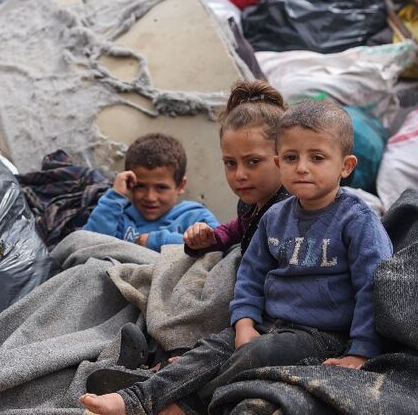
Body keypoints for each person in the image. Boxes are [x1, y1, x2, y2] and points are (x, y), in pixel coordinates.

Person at [80, 99, 394, 415]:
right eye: (290, 157)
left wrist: (362, 352)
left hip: (321, 334)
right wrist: (244, 322)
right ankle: (134, 398)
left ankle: (179, 405)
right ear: (278, 161)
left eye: (317, 158)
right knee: (212, 348)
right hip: (268, 321)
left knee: (255, 354)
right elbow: (251, 273)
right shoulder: (276, 217)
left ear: (345, 166)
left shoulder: (357, 221)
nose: (301, 167)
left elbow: (373, 287)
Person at [183, 80, 290, 256]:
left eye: (253, 161)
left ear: (285, 157)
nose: (239, 175)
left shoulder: (295, 211)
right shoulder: (250, 204)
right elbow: (240, 228)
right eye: (230, 163)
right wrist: (211, 238)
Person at [83, 133, 219, 252]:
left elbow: (217, 245)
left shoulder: (194, 217)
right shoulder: (119, 218)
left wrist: (153, 241)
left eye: (161, 188)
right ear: (130, 184)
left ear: (180, 185)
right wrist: (114, 196)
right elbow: (86, 246)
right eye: (140, 186)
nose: (150, 197)